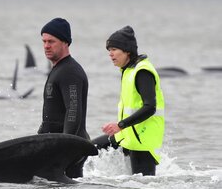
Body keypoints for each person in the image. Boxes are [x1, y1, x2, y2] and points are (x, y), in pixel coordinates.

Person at [94, 26, 165, 176]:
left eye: (114, 49)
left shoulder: (142, 71)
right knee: (88, 148)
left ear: (127, 51)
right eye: (109, 50)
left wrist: (120, 125)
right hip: (127, 135)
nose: (110, 54)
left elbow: (150, 107)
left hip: (142, 140)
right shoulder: (128, 70)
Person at [38, 18, 90, 178]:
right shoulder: (59, 69)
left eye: (51, 41)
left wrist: (64, 148)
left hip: (68, 150)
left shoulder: (69, 72)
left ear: (65, 42)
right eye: (44, 41)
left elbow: (73, 110)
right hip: (58, 146)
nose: (46, 46)